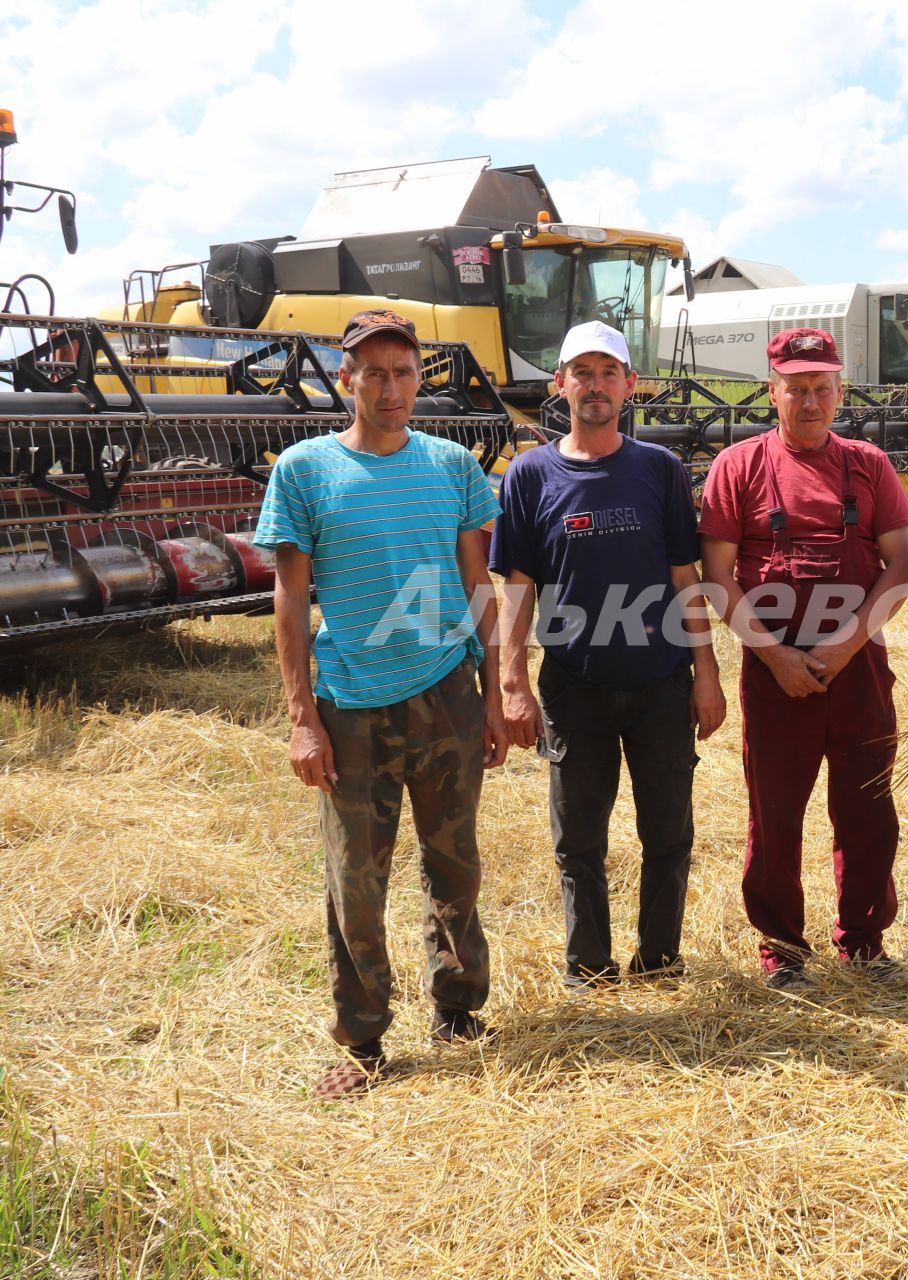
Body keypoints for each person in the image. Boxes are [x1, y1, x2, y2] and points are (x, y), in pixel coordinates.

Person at [255, 309, 507, 1100]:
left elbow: (478, 586)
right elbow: (290, 602)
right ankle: (363, 1040)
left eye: (405, 372)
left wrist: (497, 690)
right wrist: (301, 717)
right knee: (354, 885)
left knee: (455, 866)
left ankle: (459, 1007)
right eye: (375, 373)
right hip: (350, 707)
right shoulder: (304, 470)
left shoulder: (455, 467)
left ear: (418, 380)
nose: (391, 387)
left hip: (446, 695)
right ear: (347, 380)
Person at [491, 321, 725, 990]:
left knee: (668, 835)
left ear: (630, 386)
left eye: (608, 372)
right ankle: (588, 968)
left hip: (659, 681)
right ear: (558, 385)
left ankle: (659, 960)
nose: (594, 385)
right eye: (581, 372)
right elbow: (517, 589)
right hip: (574, 685)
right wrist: (513, 683)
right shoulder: (531, 475)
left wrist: (705, 674)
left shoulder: (658, 470)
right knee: (579, 842)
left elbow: (688, 579)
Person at [698, 328, 908, 989]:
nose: (811, 400)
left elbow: (903, 567)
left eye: (822, 388)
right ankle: (784, 954)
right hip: (774, 679)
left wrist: (845, 645)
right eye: (796, 389)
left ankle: (864, 945)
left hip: (860, 674)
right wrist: (775, 658)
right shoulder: (737, 467)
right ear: (773, 393)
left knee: (868, 812)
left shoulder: (870, 465)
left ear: (839, 392)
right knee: (775, 818)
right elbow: (716, 577)